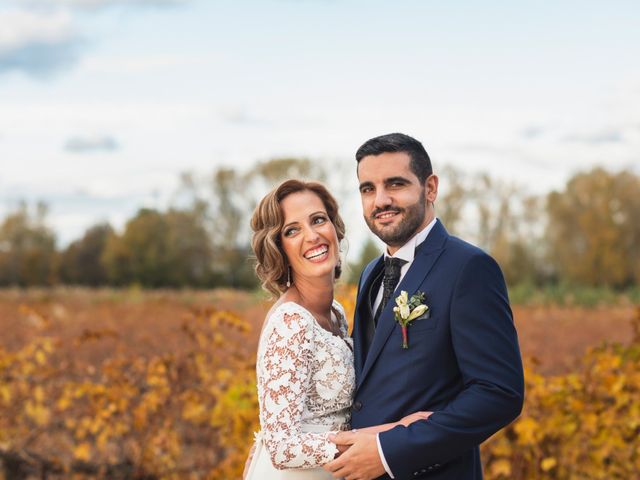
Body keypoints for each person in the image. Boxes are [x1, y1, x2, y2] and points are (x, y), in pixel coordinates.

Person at [324, 133, 525, 480]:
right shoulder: (372, 272)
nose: (380, 200)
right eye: (368, 189)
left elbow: (498, 393)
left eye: (396, 184)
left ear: (430, 188)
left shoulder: (469, 268)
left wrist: (390, 452)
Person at [244, 179, 431, 480]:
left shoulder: (336, 313)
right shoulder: (290, 321)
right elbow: (281, 447)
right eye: (292, 230)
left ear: (334, 227)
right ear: (279, 247)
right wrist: (393, 433)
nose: (313, 235)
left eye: (318, 220)